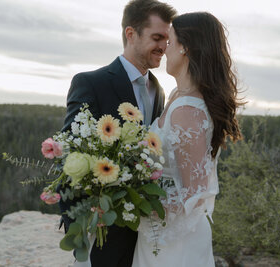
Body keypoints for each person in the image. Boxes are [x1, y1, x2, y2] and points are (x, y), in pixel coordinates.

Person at [58, 1, 177, 266]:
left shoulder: (158, 90)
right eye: (157, 37)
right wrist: (78, 224)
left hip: (144, 231)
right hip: (102, 230)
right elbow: (69, 152)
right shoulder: (90, 82)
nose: (163, 47)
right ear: (131, 34)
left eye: (167, 40)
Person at [132, 12, 243, 267]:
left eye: (170, 42)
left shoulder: (187, 110)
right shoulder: (175, 97)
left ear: (185, 48)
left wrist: (131, 200)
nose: (164, 50)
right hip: (158, 236)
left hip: (175, 244)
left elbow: (193, 194)